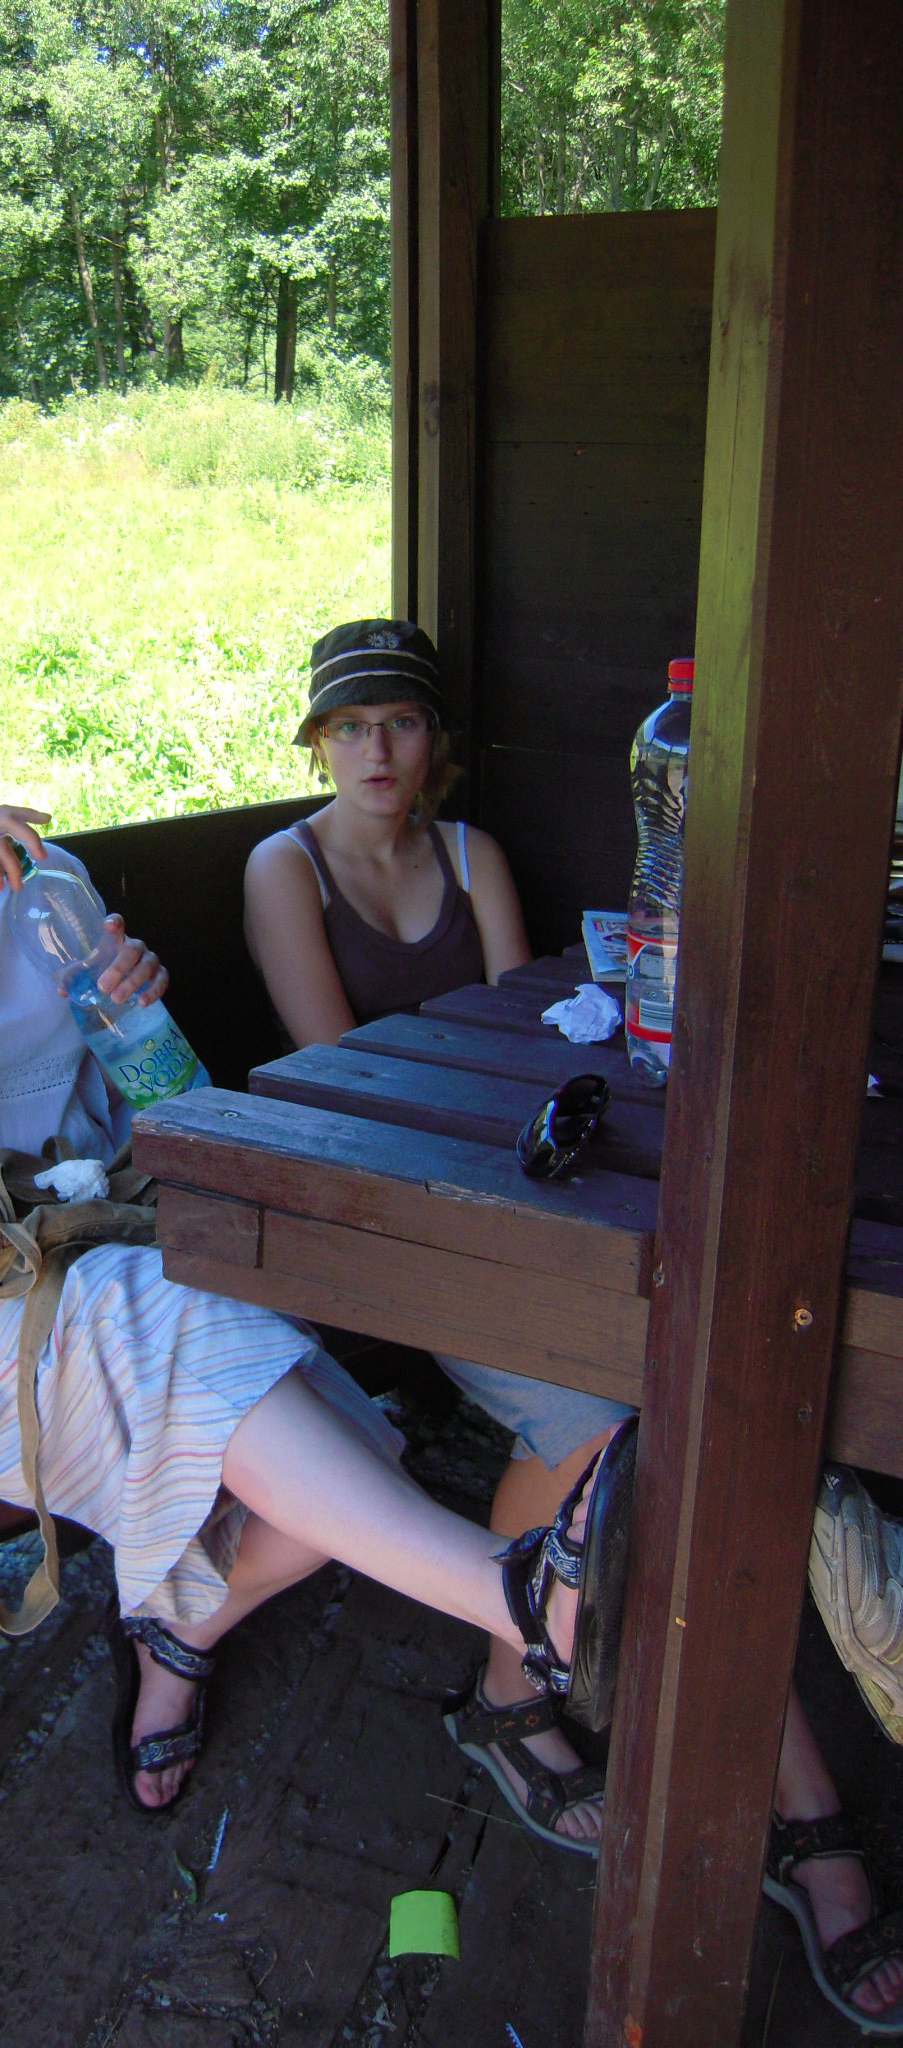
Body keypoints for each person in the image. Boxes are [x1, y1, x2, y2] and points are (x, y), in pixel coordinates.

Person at [0, 603, 629, 1841]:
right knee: (229, 1370)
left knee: (350, 1462)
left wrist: (135, 1021)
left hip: (93, 1238)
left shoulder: (45, 881)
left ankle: (179, 1626)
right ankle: (514, 1598)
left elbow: (149, 1105)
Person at [243, 617, 903, 2033]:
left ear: (436, 741)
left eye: (400, 722)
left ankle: (515, 1687)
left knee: (673, 1400)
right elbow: (334, 1069)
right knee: (635, 1424)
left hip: (526, 1196)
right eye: (349, 726)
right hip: (387, 1224)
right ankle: (800, 1812)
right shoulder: (283, 869)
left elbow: (551, 1020)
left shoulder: (472, 853)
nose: (375, 750)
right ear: (316, 743)